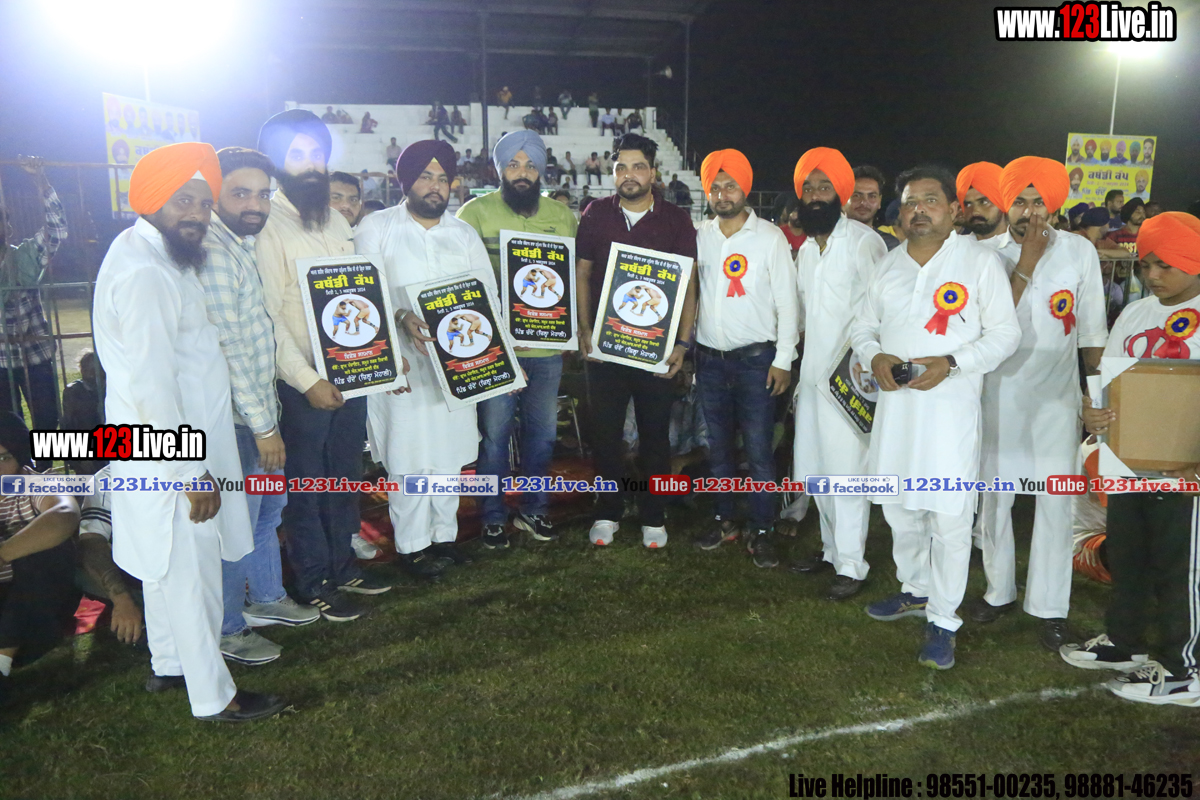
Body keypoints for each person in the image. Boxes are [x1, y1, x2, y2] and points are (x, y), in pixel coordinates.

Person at [93, 142, 285, 722]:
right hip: (171, 451)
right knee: (189, 570)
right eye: (183, 201)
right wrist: (189, 471)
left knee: (163, 565)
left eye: (203, 203)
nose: (197, 214)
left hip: (154, 443)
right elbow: (152, 384)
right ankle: (215, 695)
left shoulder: (146, 252)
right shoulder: (147, 274)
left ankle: (171, 663)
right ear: (152, 200)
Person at [851, 165, 1020, 670]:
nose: (918, 210)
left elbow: (1005, 334)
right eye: (909, 202)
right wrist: (874, 356)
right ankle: (916, 588)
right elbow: (862, 327)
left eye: (929, 200)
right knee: (899, 508)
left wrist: (953, 363)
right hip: (897, 411)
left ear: (953, 210)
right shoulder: (888, 264)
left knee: (949, 518)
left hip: (950, 414)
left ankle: (944, 620)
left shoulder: (979, 262)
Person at [254, 109, 392, 619]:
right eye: (297, 154)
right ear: (277, 162)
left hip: (352, 375)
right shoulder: (267, 226)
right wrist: (307, 380)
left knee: (344, 476)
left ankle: (343, 567)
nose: (310, 164)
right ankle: (313, 580)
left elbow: (359, 298)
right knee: (307, 486)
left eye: (316, 152)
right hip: (302, 385)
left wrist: (383, 359)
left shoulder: (335, 220)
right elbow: (269, 318)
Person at [1064, 211, 1200, 706]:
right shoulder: (1137, 313)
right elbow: (1109, 381)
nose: (1152, 275)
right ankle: (1124, 641)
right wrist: (1092, 410)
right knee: (1129, 556)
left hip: (1185, 472)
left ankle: (1184, 668)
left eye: (1165, 265)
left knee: (1180, 569)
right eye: (1146, 265)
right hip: (1127, 462)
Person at [973, 156, 1108, 651]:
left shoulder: (1078, 251)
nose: (1029, 212)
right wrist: (1026, 261)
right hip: (996, 395)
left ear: (1053, 205)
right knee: (996, 498)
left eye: (1038, 202)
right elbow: (987, 327)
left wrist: (1095, 397)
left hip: (1056, 400)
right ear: (1005, 204)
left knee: (1055, 501)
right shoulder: (985, 255)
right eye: (1019, 202)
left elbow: (1092, 334)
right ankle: (998, 591)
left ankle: (1050, 607)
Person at [201, 146, 321, 666]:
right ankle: (228, 627)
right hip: (237, 419)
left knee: (267, 512)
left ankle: (266, 597)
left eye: (263, 194)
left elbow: (258, 334)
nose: (255, 204)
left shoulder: (241, 244)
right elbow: (228, 346)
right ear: (214, 196)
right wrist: (263, 426)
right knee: (237, 524)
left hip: (256, 412)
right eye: (240, 193)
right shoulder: (214, 250)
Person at [356, 141, 489, 574]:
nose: (435, 186)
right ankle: (412, 546)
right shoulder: (377, 227)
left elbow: (486, 298)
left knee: (449, 455)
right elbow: (363, 294)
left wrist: (495, 360)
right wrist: (399, 320)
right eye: (425, 176)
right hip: (403, 366)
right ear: (406, 181)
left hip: (457, 365)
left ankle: (444, 537)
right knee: (409, 456)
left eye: (442, 178)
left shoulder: (463, 233)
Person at [576, 133, 699, 549]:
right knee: (605, 434)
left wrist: (682, 344)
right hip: (606, 348)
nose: (629, 175)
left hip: (654, 349)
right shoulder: (596, 213)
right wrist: (585, 330)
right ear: (613, 172)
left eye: (638, 167)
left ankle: (653, 514)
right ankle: (608, 511)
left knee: (655, 435)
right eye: (621, 167)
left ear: (653, 172)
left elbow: (689, 284)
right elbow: (582, 273)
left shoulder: (676, 220)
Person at [457, 130, 578, 548]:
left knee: (542, 435)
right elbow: (463, 284)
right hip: (495, 351)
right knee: (494, 436)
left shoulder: (562, 216)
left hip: (546, 350)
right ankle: (492, 516)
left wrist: (569, 330)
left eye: (529, 165)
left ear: (541, 170)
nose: (522, 173)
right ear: (500, 169)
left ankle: (534, 509)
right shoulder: (474, 213)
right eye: (513, 164)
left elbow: (569, 280)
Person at [787, 148, 888, 598]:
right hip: (812, 378)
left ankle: (852, 564)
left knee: (848, 473)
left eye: (824, 187)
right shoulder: (808, 249)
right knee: (818, 469)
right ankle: (831, 551)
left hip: (852, 379)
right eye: (808, 187)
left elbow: (881, 313)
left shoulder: (866, 243)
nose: (814, 195)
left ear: (840, 193)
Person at [692, 150, 797, 568]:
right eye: (715, 187)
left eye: (730, 186)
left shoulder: (770, 237)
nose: (722, 194)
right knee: (717, 447)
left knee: (758, 450)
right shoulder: (699, 235)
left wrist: (784, 359)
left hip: (757, 362)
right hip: (709, 361)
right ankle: (725, 519)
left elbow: (788, 304)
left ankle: (763, 527)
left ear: (745, 189)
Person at [0, 412, 82, 705]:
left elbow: (64, 514)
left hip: (38, 612)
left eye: (4, 458)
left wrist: (4, 553)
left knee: (44, 549)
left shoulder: (36, 483)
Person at [0, 156, 67, 447]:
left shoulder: (24, 257)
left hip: (35, 356)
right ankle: (17, 474)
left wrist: (41, 181)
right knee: (6, 430)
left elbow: (57, 231)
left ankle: (43, 470)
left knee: (47, 423)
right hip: (0, 362)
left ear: (8, 228)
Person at [77, 464, 144, 646]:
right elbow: (92, 541)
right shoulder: (108, 477)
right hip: (139, 577)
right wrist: (122, 600)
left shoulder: (193, 469)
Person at [59, 350, 105, 474]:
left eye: (97, 370)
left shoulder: (111, 388)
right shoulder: (74, 391)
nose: (93, 374)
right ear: (82, 371)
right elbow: (68, 426)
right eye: (89, 370)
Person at [956, 162, 1008, 244]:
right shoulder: (955, 247)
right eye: (968, 204)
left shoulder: (1025, 246)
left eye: (983, 202)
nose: (975, 212)